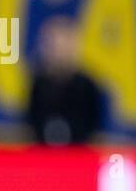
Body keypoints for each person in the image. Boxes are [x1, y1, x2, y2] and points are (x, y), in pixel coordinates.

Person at [25, 16, 104, 146]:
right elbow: (31, 125)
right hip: (44, 158)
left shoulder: (87, 86)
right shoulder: (38, 85)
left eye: (63, 43)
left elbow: (93, 129)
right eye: (53, 44)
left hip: (79, 158)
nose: (59, 51)